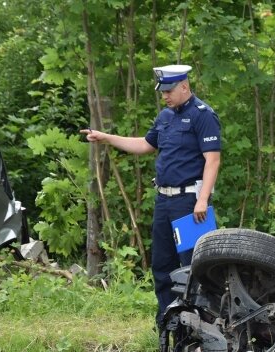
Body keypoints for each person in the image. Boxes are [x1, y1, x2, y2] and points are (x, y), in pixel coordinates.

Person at [82, 64, 222, 323]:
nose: (165, 96)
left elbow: (212, 160)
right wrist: (106, 137)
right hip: (164, 201)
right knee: (162, 266)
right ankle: (167, 324)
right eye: (162, 92)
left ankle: (200, 326)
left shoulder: (203, 115)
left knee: (193, 268)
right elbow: (146, 145)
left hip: (190, 203)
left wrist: (202, 200)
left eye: (169, 90)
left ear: (184, 86)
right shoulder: (165, 117)